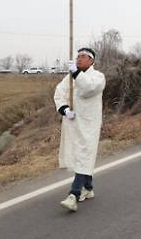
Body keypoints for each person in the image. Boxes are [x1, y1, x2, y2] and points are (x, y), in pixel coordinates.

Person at [55, 48, 106, 212]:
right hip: (73, 123)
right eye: (77, 57)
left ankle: (73, 194)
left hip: (89, 125)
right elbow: (59, 93)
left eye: (83, 57)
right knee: (81, 155)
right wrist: (64, 109)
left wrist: (76, 73)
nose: (79, 59)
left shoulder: (98, 77)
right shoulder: (69, 78)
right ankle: (88, 188)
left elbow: (88, 89)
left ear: (91, 61)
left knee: (84, 155)